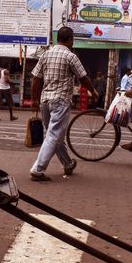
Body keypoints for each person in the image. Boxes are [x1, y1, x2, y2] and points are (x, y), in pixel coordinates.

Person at [29, 26, 98, 181]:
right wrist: (92, 91)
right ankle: (38, 169)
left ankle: (67, 163)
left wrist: (34, 99)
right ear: (70, 39)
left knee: (53, 134)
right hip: (60, 100)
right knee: (54, 135)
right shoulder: (71, 56)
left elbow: (35, 79)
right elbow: (83, 78)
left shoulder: (46, 54)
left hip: (45, 100)